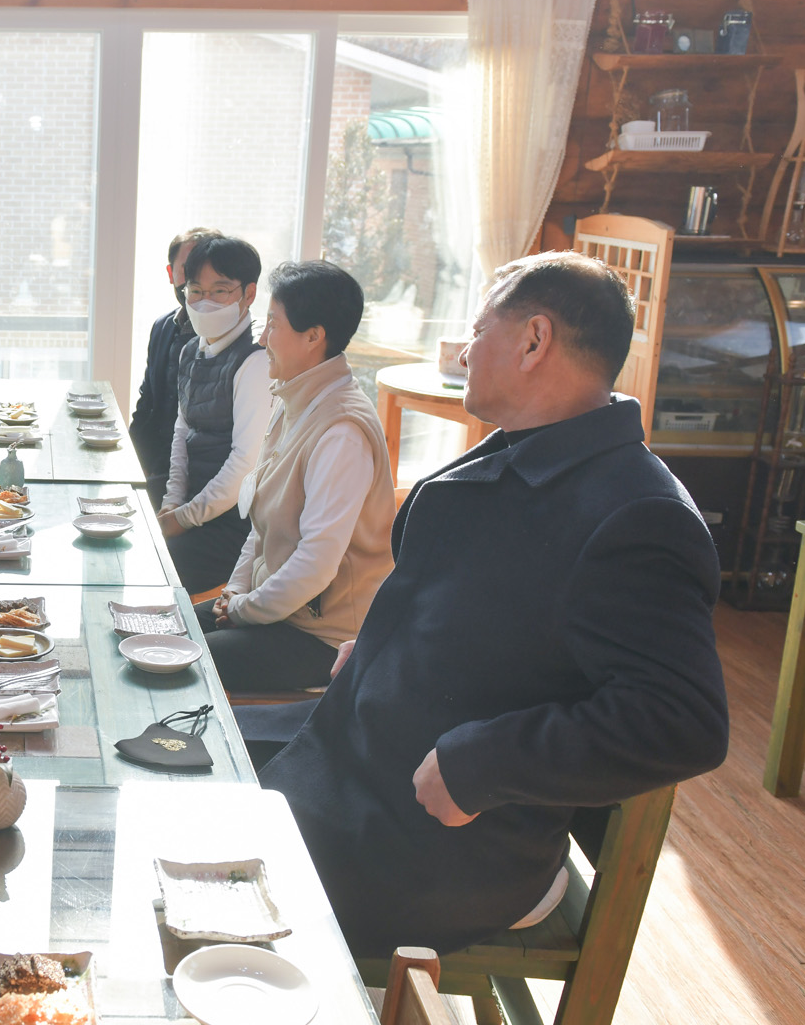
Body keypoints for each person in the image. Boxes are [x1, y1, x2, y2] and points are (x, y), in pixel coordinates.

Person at [243, 251, 730, 957]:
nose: (466, 352)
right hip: (357, 752)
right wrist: (380, 648)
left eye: (478, 331)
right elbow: (490, 616)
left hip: (444, 837)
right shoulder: (528, 449)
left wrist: (486, 763)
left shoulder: (636, 514)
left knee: (201, 864)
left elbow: (683, 722)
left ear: (534, 340)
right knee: (179, 757)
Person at [197, 260, 395, 692]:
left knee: (185, 662)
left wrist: (243, 609)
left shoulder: (341, 431)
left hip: (324, 638)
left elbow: (316, 565)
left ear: (313, 336)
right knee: (165, 630)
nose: (261, 338)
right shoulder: (295, 399)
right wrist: (234, 593)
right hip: (275, 608)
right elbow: (261, 523)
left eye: (273, 324)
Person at [158, 235, 274, 592]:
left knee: (151, 565)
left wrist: (183, 518)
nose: (205, 302)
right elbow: (182, 431)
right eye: (196, 290)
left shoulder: (257, 359)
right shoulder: (191, 349)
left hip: (235, 522)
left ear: (249, 294)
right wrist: (172, 502)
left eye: (220, 291)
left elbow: (245, 463)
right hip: (194, 502)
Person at [129, 226, 221, 507]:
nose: (196, 281)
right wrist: (129, 462)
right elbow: (147, 404)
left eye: (207, 272)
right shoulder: (162, 326)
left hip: (199, 485)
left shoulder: (229, 340)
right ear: (171, 274)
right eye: (187, 269)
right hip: (153, 468)